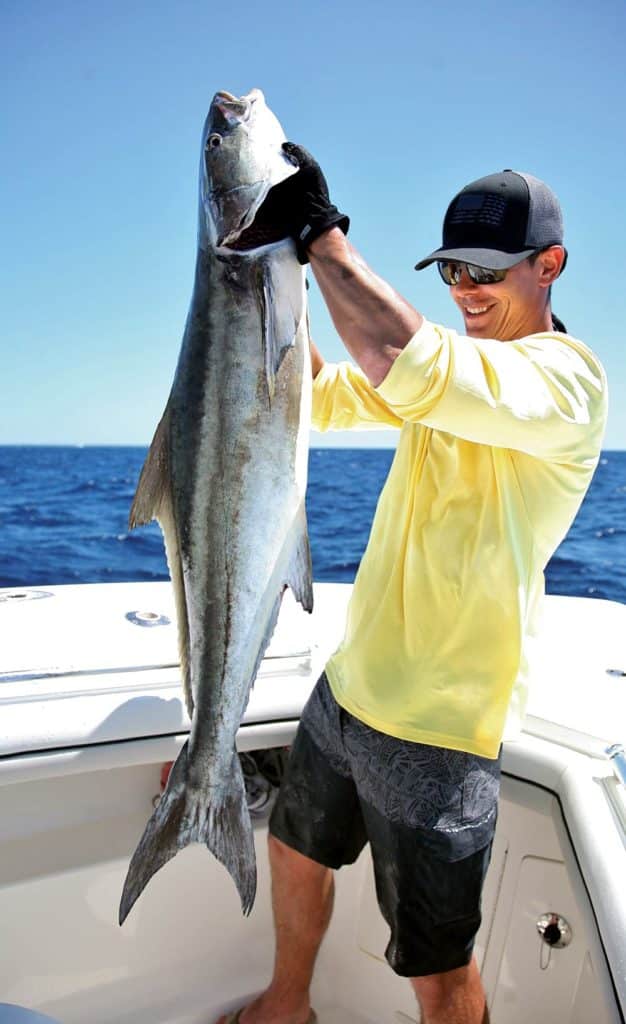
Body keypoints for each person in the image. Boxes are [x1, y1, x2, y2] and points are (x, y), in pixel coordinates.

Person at [216, 151, 608, 1024]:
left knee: (436, 970)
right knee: (293, 850)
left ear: (551, 265)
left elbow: (406, 358)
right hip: (352, 687)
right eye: (453, 271)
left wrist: (321, 232)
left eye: (487, 273)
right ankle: (289, 1005)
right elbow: (315, 391)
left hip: (440, 728)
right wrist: (275, 267)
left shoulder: (566, 381)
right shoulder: (448, 374)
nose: (465, 290)